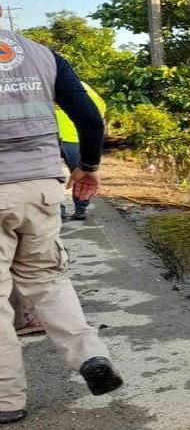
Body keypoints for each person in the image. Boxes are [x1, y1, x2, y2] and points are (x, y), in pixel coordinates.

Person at [0, 28, 123, 425]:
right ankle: (90, 356)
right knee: (48, 279)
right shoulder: (43, 55)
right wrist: (88, 167)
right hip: (41, 187)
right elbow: (89, 117)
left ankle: (7, 400)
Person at [57, 81, 107, 221]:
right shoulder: (80, 86)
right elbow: (99, 109)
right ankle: (80, 209)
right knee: (82, 174)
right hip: (74, 138)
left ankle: (58, 211)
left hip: (51, 138)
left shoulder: (40, 82)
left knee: (52, 176)